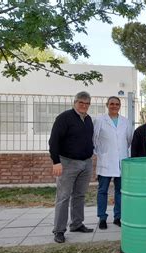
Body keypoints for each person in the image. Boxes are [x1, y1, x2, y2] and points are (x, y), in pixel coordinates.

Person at [49, 91, 94, 244]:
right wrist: (56, 161)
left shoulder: (88, 120)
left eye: (87, 103)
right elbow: (53, 141)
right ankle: (59, 230)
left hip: (86, 163)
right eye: (81, 102)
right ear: (74, 102)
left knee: (79, 195)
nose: (84, 105)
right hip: (67, 163)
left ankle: (76, 223)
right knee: (63, 197)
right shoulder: (64, 118)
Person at [93, 96, 132, 230]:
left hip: (121, 161)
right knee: (102, 190)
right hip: (106, 160)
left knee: (119, 191)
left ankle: (118, 217)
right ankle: (102, 217)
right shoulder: (100, 120)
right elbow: (95, 139)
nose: (114, 106)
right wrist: (102, 153)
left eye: (117, 104)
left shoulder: (125, 122)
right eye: (112, 104)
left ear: (120, 106)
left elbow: (128, 140)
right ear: (107, 105)